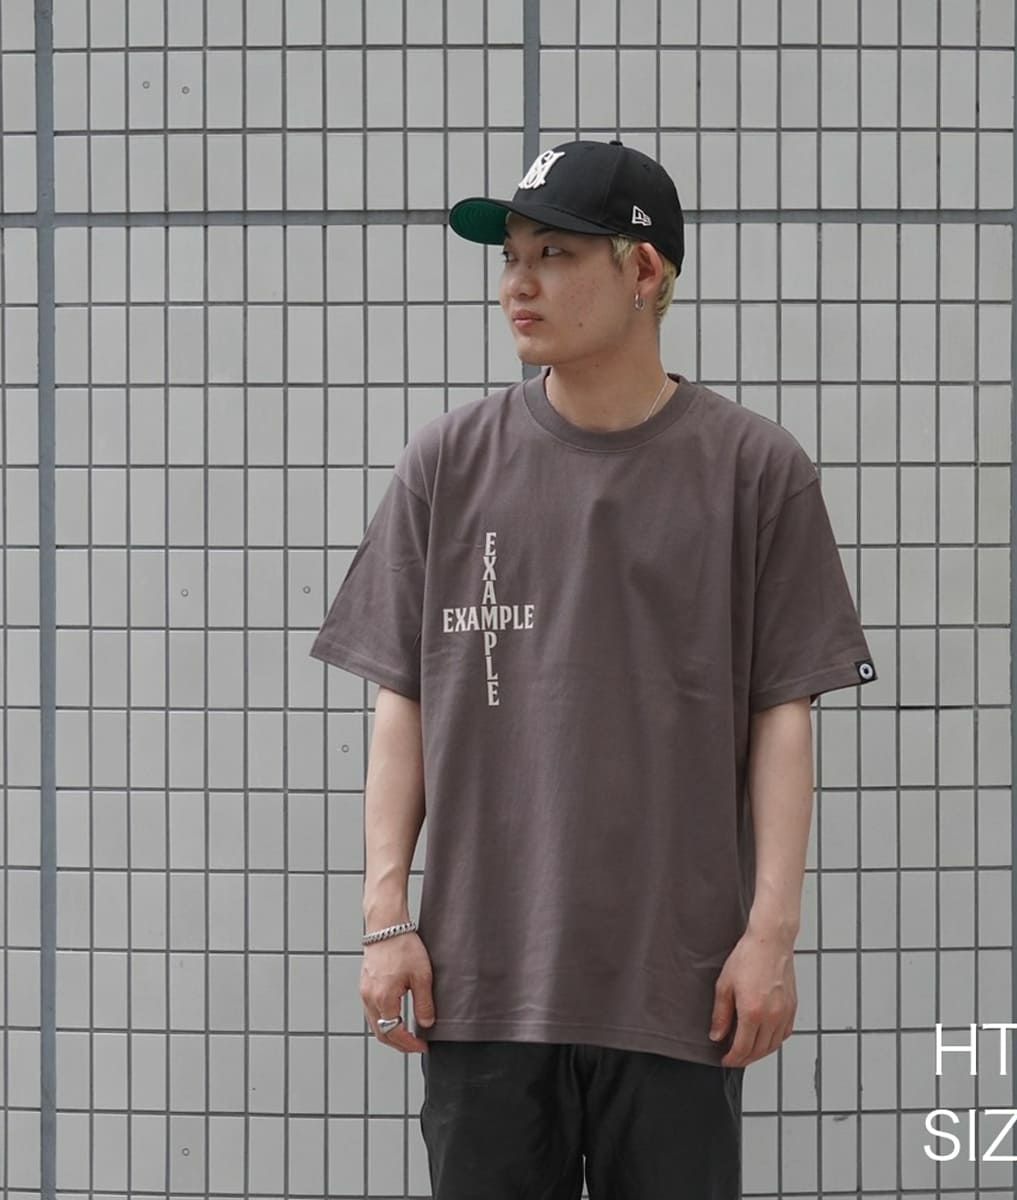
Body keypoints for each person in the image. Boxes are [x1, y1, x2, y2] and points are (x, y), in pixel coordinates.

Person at [309, 137, 879, 1199]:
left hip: (678, 991)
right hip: (482, 988)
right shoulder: (447, 464)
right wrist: (386, 919)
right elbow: (403, 701)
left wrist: (770, 936)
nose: (516, 284)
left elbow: (783, 717)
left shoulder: (756, 472)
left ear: (644, 270)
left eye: (555, 255)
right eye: (511, 256)